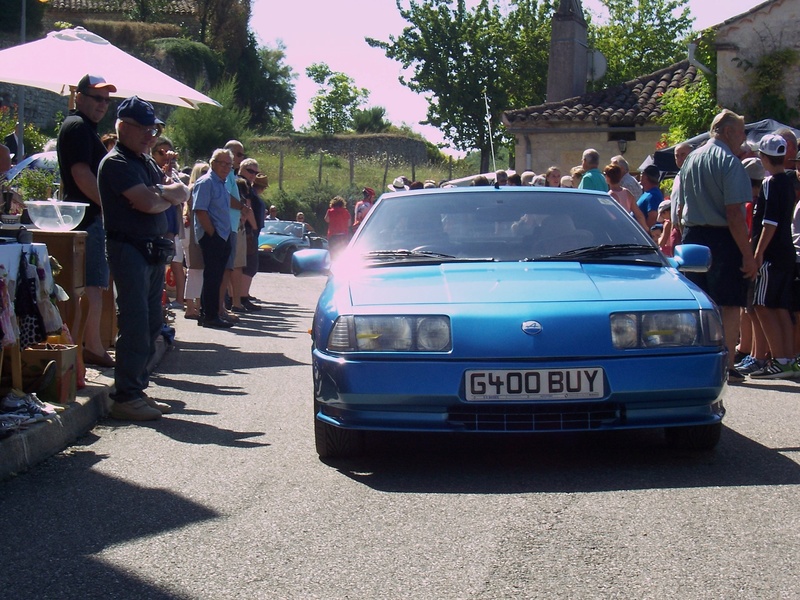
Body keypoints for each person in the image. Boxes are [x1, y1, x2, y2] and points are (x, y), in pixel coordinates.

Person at [98, 96, 189, 421]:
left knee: (151, 322)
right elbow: (149, 202)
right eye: (144, 129)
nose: (151, 136)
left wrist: (160, 194)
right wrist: (165, 195)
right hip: (129, 249)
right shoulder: (117, 162)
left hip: (150, 250)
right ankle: (126, 395)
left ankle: (135, 390)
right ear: (123, 127)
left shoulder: (144, 161)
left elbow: (179, 191)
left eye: (154, 129)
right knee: (136, 322)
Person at [677, 109, 757, 382]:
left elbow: (679, 208)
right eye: (740, 133)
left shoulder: (690, 159)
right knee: (729, 304)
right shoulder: (729, 162)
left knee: (696, 302)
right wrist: (748, 255)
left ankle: (695, 360)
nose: (743, 139)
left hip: (692, 236)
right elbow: (734, 213)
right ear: (726, 132)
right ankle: (727, 364)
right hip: (723, 238)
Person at [57, 74, 118, 369]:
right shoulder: (79, 127)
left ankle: (90, 343)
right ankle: (92, 345)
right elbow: (81, 174)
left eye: (106, 100)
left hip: (85, 216)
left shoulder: (82, 128)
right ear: (79, 96)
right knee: (92, 286)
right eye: (97, 98)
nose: (102, 104)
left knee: (92, 285)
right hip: (87, 217)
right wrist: (108, 207)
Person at [746, 134, 799, 378]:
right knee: (779, 306)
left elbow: (769, 223)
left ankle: (778, 357)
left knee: (761, 304)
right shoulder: (789, 181)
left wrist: (757, 254)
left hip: (771, 253)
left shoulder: (769, 183)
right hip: (786, 251)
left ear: (764, 157)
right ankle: (788, 358)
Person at [193, 149, 234, 329]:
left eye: (229, 164)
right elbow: (200, 210)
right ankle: (210, 316)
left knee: (215, 277)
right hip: (213, 237)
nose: (225, 167)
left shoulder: (222, 184)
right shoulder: (206, 182)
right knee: (212, 277)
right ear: (213, 163)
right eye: (222, 163)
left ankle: (207, 314)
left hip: (223, 236)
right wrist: (213, 235)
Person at [152, 136, 186, 311]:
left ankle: (170, 301)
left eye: (168, 152)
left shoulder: (172, 173)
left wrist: (170, 167)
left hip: (171, 222)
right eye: (161, 152)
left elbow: (182, 192)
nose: (165, 156)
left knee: (172, 260)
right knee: (158, 266)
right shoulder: (150, 170)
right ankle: (160, 302)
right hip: (157, 221)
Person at [236, 158, 262, 312]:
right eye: (250, 171)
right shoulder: (242, 184)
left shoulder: (248, 185)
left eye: (256, 172)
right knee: (249, 265)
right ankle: (241, 297)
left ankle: (241, 296)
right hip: (247, 230)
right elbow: (248, 208)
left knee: (247, 265)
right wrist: (254, 226)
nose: (253, 175)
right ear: (242, 169)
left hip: (249, 230)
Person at [602, 164, 648, 230]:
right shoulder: (627, 192)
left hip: (614, 229)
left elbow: (612, 217)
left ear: (608, 177)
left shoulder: (609, 196)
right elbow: (639, 215)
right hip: (627, 227)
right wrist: (646, 229)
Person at [670, 142, 692, 229]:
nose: (679, 158)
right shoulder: (678, 176)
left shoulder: (692, 175)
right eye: (677, 156)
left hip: (686, 226)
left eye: (683, 155)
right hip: (676, 227)